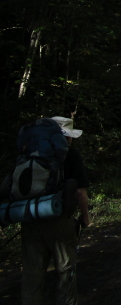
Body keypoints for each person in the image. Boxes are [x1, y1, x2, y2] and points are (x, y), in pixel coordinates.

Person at [19, 116, 91, 305]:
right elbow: (80, 193)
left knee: (32, 275)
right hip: (59, 221)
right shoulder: (70, 154)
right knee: (65, 272)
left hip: (29, 218)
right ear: (68, 137)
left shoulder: (28, 153)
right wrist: (85, 217)